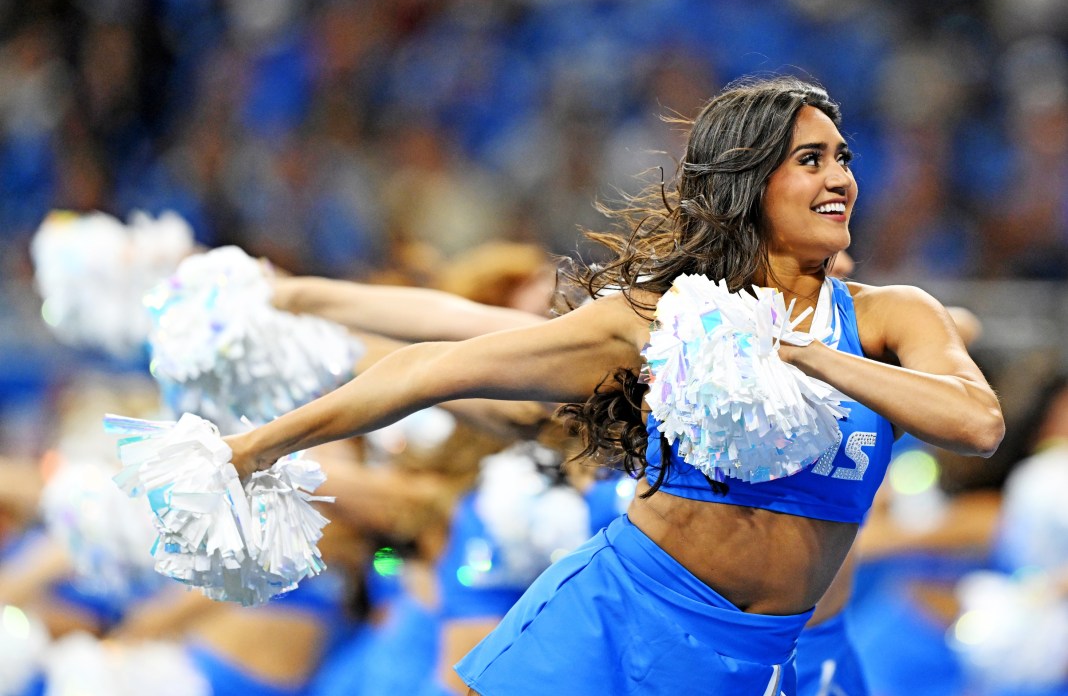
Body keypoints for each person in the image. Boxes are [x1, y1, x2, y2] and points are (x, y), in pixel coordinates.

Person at [222, 76, 1004, 695]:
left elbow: (977, 422)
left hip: (763, 659)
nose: (840, 178)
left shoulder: (893, 319)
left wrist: (805, 354)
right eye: (811, 160)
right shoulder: (659, 318)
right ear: (748, 181)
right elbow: (438, 362)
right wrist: (257, 445)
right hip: (621, 621)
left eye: (844, 159)